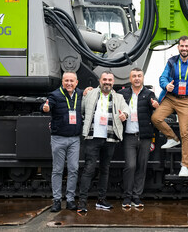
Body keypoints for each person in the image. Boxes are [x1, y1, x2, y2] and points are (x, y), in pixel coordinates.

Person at [151, 35, 188, 177]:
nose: (184, 48)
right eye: (182, 46)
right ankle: (172, 138)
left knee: (185, 132)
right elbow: (162, 77)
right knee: (156, 118)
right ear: (178, 47)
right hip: (170, 98)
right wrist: (165, 85)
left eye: (187, 46)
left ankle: (185, 166)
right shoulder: (172, 61)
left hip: (186, 101)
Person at [77, 71, 130, 212]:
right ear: (100, 81)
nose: (107, 82)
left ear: (113, 82)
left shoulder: (118, 97)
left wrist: (124, 114)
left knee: (105, 170)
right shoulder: (90, 93)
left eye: (110, 80)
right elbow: (80, 109)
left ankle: (101, 200)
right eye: (105, 79)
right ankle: (82, 201)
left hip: (110, 138)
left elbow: (126, 109)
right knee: (88, 169)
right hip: (92, 137)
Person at [40, 71, 83, 212]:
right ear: (62, 82)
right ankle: (57, 200)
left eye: (72, 81)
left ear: (76, 82)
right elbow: (45, 106)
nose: (69, 83)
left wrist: (89, 89)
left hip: (74, 139)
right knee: (57, 170)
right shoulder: (55, 95)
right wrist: (45, 108)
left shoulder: (80, 94)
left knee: (73, 169)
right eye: (66, 81)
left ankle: (70, 200)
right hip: (58, 138)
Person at [118, 68, 159, 208]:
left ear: (143, 78)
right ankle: (127, 197)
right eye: (134, 76)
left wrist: (156, 106)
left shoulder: (149, 94)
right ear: (130, 79)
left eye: (139, 76)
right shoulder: (122, 93)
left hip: (145, 137)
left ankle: (136, 196)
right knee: (130, 166)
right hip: (129, 136)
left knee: (142, 167)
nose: (136, 78)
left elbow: (157, 109)